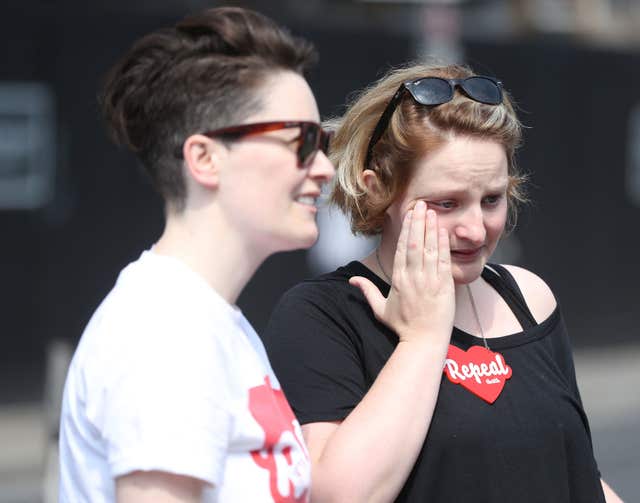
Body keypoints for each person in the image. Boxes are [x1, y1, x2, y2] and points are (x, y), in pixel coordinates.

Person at [262, 62, 624, 502]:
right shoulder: (322, 314)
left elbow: (577, 472)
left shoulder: (528, 298)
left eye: (491, 199)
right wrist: (422, 339)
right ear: (379, 192)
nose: (475, 229)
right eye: (446, 204)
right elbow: (338, 496)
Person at [58, 7, 334, 502]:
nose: (325, 168)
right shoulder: (165, 331)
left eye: (323, 141)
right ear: (205, 158)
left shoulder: (205, 321)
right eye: (304, 141)